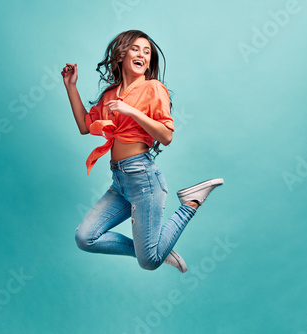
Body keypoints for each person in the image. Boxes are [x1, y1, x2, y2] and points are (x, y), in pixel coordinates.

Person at [61, 30, 223, 273]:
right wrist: (71, 86)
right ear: (120, 56)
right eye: (136, 49)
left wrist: (132, 111)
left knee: (149, 262)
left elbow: (166, 136)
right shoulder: (110, 95)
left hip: (144, 178)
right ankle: (157, 249)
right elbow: (85, 126)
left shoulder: (153, 88)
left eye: (147, 52)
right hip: (120, 181)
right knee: (85, 238)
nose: (142, 55)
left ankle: (192, 201)